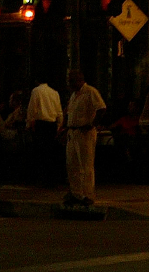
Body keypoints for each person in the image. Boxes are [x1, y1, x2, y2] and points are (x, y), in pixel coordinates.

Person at [63, 70, 106, 206]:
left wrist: (92, 124)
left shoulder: (90, 91)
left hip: (84, 132)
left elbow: (101, 108)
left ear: (79, 80)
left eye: (71, 80)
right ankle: (76, 192)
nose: (69, 83)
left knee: (85, 164)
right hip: (73, 131)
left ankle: (87, 194)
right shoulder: (74, 95)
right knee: (72, 163)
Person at [26, 78, 63, 186]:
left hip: (41, 124)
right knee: (50, 152)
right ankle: (50, 178)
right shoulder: (54, 93)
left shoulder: (36, 91)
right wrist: (59, 126)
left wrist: (29, 123)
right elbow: (59, 111)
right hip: (51, 124)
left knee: (39, 152)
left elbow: (32, 108)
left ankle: (40, 178)